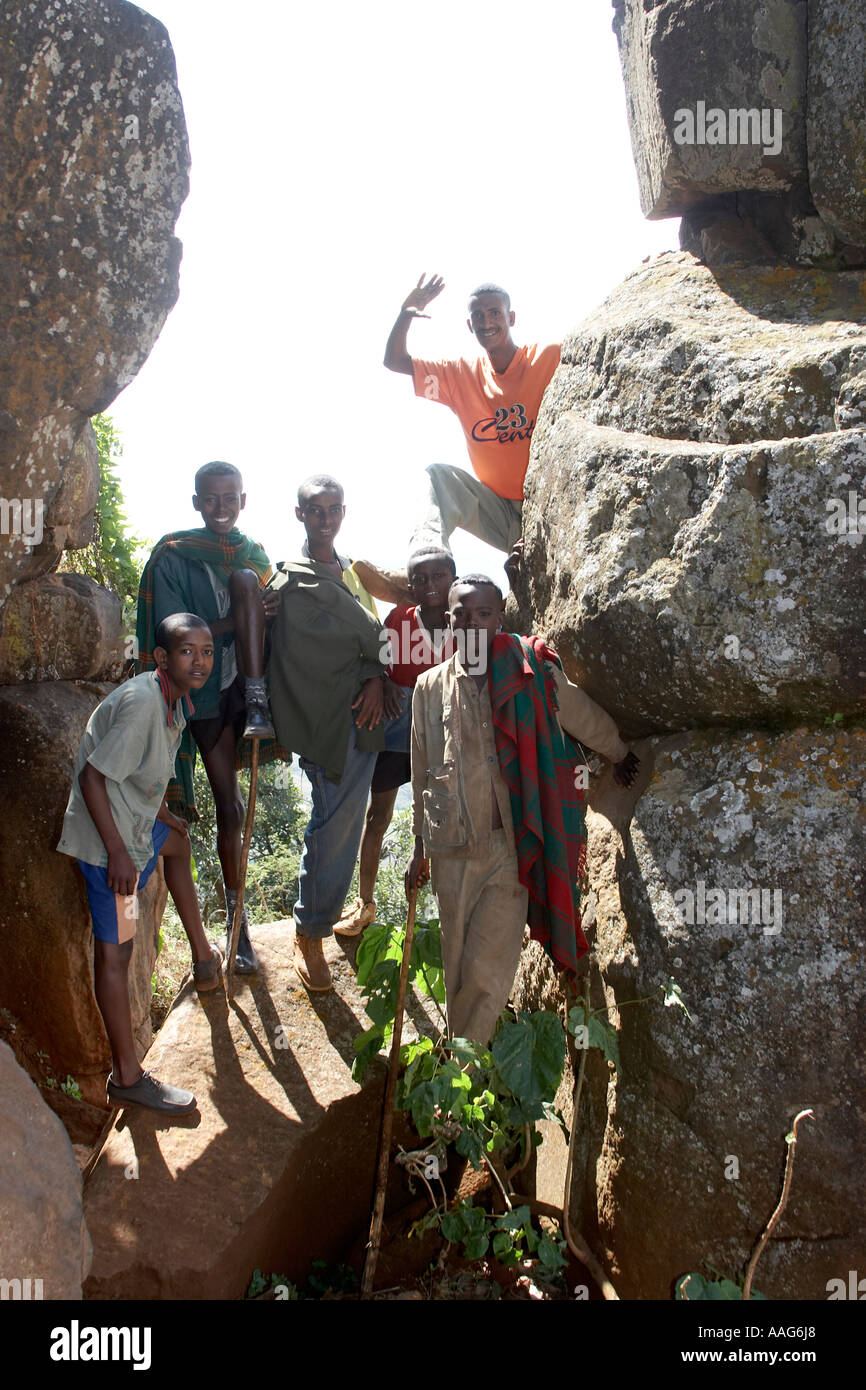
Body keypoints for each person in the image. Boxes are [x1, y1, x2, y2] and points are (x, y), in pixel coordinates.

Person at [405, 576, 640, 1046]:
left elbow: (576, 711)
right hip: (451, 851)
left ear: (500, 618)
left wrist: (618, 751)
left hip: (511, 849)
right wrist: (419, 850)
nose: (471, 622)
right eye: (461, 613)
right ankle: (465, 1084)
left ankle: (459, 1076)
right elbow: (421, 770)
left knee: (489, 971)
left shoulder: (530, 669)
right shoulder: (428, 688)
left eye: (483, 613)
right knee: (456, 971)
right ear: (447, 621)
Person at [57, 614, 223, 1116]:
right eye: (187, 651)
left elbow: (137, 778)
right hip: (110, 840)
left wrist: (165, 815)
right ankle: (127, 1077)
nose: (200, 661)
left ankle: (202, 958)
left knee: (178, 843)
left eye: (208, 651)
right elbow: (92, 778)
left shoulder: (174, 703)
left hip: (133, 823)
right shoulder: (145, 704)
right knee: (118, 955)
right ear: (162, 658)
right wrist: (117, 855)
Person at [136, 461, 281, 976]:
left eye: (231, 499)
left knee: (232, 805)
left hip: (244, 684)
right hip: (200, 693)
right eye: (211, 499)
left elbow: (271, 612)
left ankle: (237, 927)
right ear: (196, 502)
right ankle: (225, 933)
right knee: (208, 808)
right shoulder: (174, 556)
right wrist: (245, 615)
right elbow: (177, 637)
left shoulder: (253, 556)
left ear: (244, 500)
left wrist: (268, 609)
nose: (221, 509)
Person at [267, 475, 387, 992]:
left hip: (365, 710)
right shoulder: (285, 580)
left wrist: (381, 680)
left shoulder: (354, 575)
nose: (324, 519)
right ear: (299, 515)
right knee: (334, 820)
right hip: (321, 715)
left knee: (350, 815)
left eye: (332, 509)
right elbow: (275, 639)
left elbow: (377, 639)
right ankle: (310, 931)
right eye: (314, 511)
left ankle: (352, 910)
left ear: (343, 513)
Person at [380, 274, 560, 585]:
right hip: (500, 512)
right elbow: (395, 361)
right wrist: (406, 314)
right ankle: (425, 569)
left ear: (511, 317)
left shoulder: (547, 359)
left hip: (547, 507)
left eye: (494, 313)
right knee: (438, 477)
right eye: (478, 316)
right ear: (469, 325)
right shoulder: (461, 376)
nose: (486, 322)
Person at [335, 545, 456, 937]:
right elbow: (376, 663)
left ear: (452, 580)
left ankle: (444, 909)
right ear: (410, 585)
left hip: (443, 734)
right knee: (378, 814)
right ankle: (364, 901)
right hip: (397, 729)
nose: (430, 585)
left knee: (439, 815)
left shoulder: (465, 624)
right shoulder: (400, 619)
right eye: (420, 578)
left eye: (439, 576)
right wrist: (383, 681)